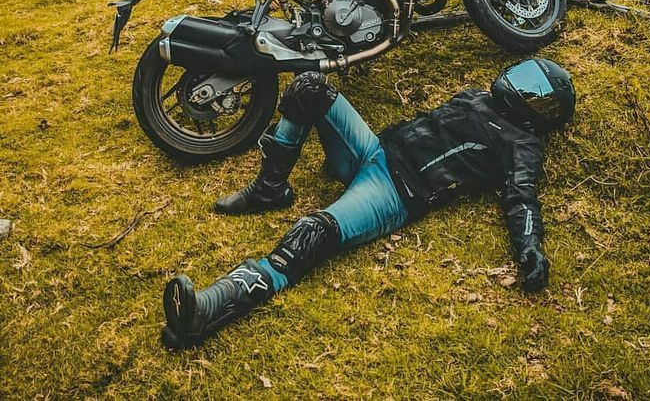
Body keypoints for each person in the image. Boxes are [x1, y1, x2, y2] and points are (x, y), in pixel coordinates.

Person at [161, 59, 576, 350]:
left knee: (313, 232)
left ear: (543, 108)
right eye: (524, 74)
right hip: (372, 150)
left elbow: (522, 197)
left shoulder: (522, 144)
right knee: (309, 86)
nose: (516, 83)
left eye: (531, 87)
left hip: (394, 192)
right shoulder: (478, 97)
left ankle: (206, 311)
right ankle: (270, 188)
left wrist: (530, 248)